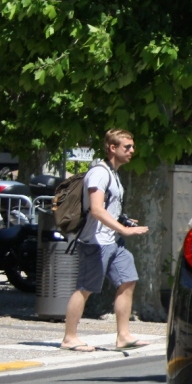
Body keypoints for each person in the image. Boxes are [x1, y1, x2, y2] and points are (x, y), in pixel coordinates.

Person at [61, 130, 150, 352]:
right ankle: (69, 337)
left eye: (132, 146)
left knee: (128, 280)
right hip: (95, 242)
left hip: (113, 241)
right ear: (112, 148)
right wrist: (123, 229)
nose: (132, 151)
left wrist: (123, 221)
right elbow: (97, 209)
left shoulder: (113, 173)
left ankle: (123, 336)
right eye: (127, 147)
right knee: (85, 288)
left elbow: (109, 208)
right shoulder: (99, 173)